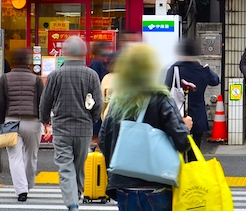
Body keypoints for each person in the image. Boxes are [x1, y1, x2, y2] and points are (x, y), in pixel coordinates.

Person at [100, 43, 193, 210]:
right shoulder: (160, 98)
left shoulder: (117, 100)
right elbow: (182, 141)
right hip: (156, 186)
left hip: (123, 187)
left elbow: (103, 139)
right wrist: (185, 126)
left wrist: (116, 172)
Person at [39, 36, 103, 211]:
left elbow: (45, 101)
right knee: (80, 163)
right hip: (84, 129)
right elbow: (98, 103)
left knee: (65, 165)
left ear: (65, 53)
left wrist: (45, 120)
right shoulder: (92, 75)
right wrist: (93, 119)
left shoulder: (55, 75)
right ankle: (77, 193)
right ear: (83, 53)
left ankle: (72, 202)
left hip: (61, 129)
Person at [0, 49, 46, 202]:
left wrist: (1, 122)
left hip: (11, 122)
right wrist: (45, 121)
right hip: (32, 122)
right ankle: (28, 184)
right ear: (28, 61)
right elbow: (42, 102)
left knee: (15, 158)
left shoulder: (4, 79)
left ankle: (21, 190)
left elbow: (1, 103)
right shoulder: (36, 79)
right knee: (31, 156)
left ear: (13, 62)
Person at [164, 38, 220, 150]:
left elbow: (165, 89)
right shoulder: (201, 70)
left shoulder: (174, 69)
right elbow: (215, 81)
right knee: (195, 150)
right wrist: (207, 68)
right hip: (197, 116)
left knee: (177, 150)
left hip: (177, 115)